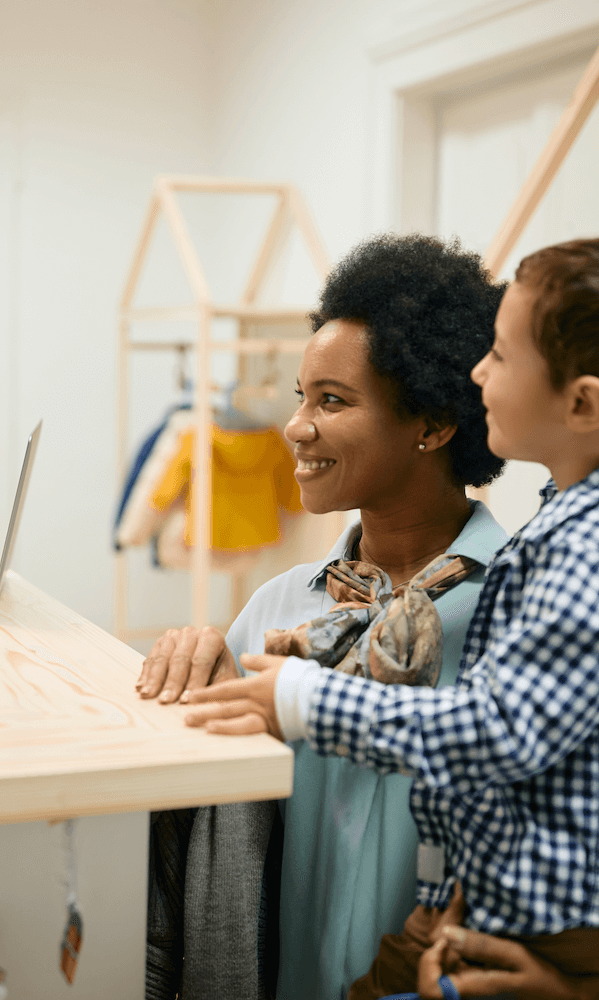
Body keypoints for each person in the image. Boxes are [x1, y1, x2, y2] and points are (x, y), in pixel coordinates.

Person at [182, 239, 599, 998]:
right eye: (302, 397)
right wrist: (198, 655)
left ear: (433, 426)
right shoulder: (279, 606)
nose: (296, 427)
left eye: (332, 401)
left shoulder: (531, 607)